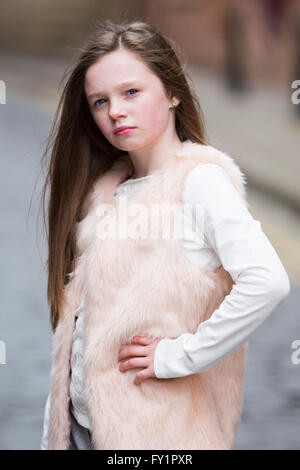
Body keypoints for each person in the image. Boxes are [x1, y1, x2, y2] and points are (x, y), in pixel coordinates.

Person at [40, 19, 290, 450]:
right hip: (82, 434)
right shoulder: (105, 190)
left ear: (173, 93)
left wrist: (178, 356)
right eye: (100, 101)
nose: (114, 111)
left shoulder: (200, 182)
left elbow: (267, 281)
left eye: (131, 92)